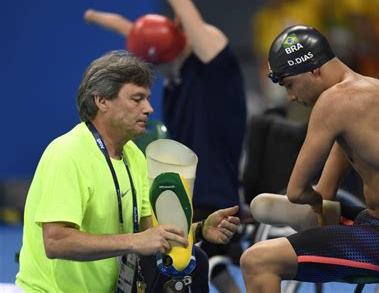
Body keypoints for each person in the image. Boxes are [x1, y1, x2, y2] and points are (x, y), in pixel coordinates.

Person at [15, 50, 240, 292]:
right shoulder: (67, 153)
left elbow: (149, 234)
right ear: (102, 101)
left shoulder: (134, 155)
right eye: (137, 99)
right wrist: (134, 242)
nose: (149, 109)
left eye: (148, 99)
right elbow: (56, 241)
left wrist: (200, 229)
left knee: (194, 264)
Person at [240, 25, 379, 292]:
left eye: (290, 84)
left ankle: (301, 221)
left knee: (256, 260)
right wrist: (316, 205)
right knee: (316, 213)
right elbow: (325, 192)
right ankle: (305, 221)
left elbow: (298, 192)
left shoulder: (336, 101)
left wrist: (309, 203)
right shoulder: (367, 92)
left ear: (313, 69)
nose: (291, 96)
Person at [84, 0, 247, 292]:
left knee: (156, 243)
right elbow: (139, 33)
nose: (157, 68)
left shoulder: (215, 69)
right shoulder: (176, 71)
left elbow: (179, 0)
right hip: (182, 190)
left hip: (210, 195)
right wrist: (96, 17)